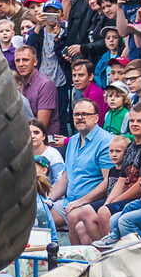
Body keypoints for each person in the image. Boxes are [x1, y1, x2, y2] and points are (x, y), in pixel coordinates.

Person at [47, 99, 113, 235]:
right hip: (69, 201)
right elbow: (66, 176)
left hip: (91, 203)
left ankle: (77, 255)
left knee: (73, 214)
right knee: (38, 213)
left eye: (85, 114)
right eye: (76, 114)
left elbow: (108, 181)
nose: (80, 118)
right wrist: (48, 199)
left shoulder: (105, 142)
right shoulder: (73, 140)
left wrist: (79, 202)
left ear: (96, 118)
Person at [14, 44, 57, 131]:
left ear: (35, 62)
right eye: (17, 61)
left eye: (25, 60)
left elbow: (41, 125)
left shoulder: (45, 84)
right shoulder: (19, 83)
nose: (21, 64)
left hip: (45, 139)